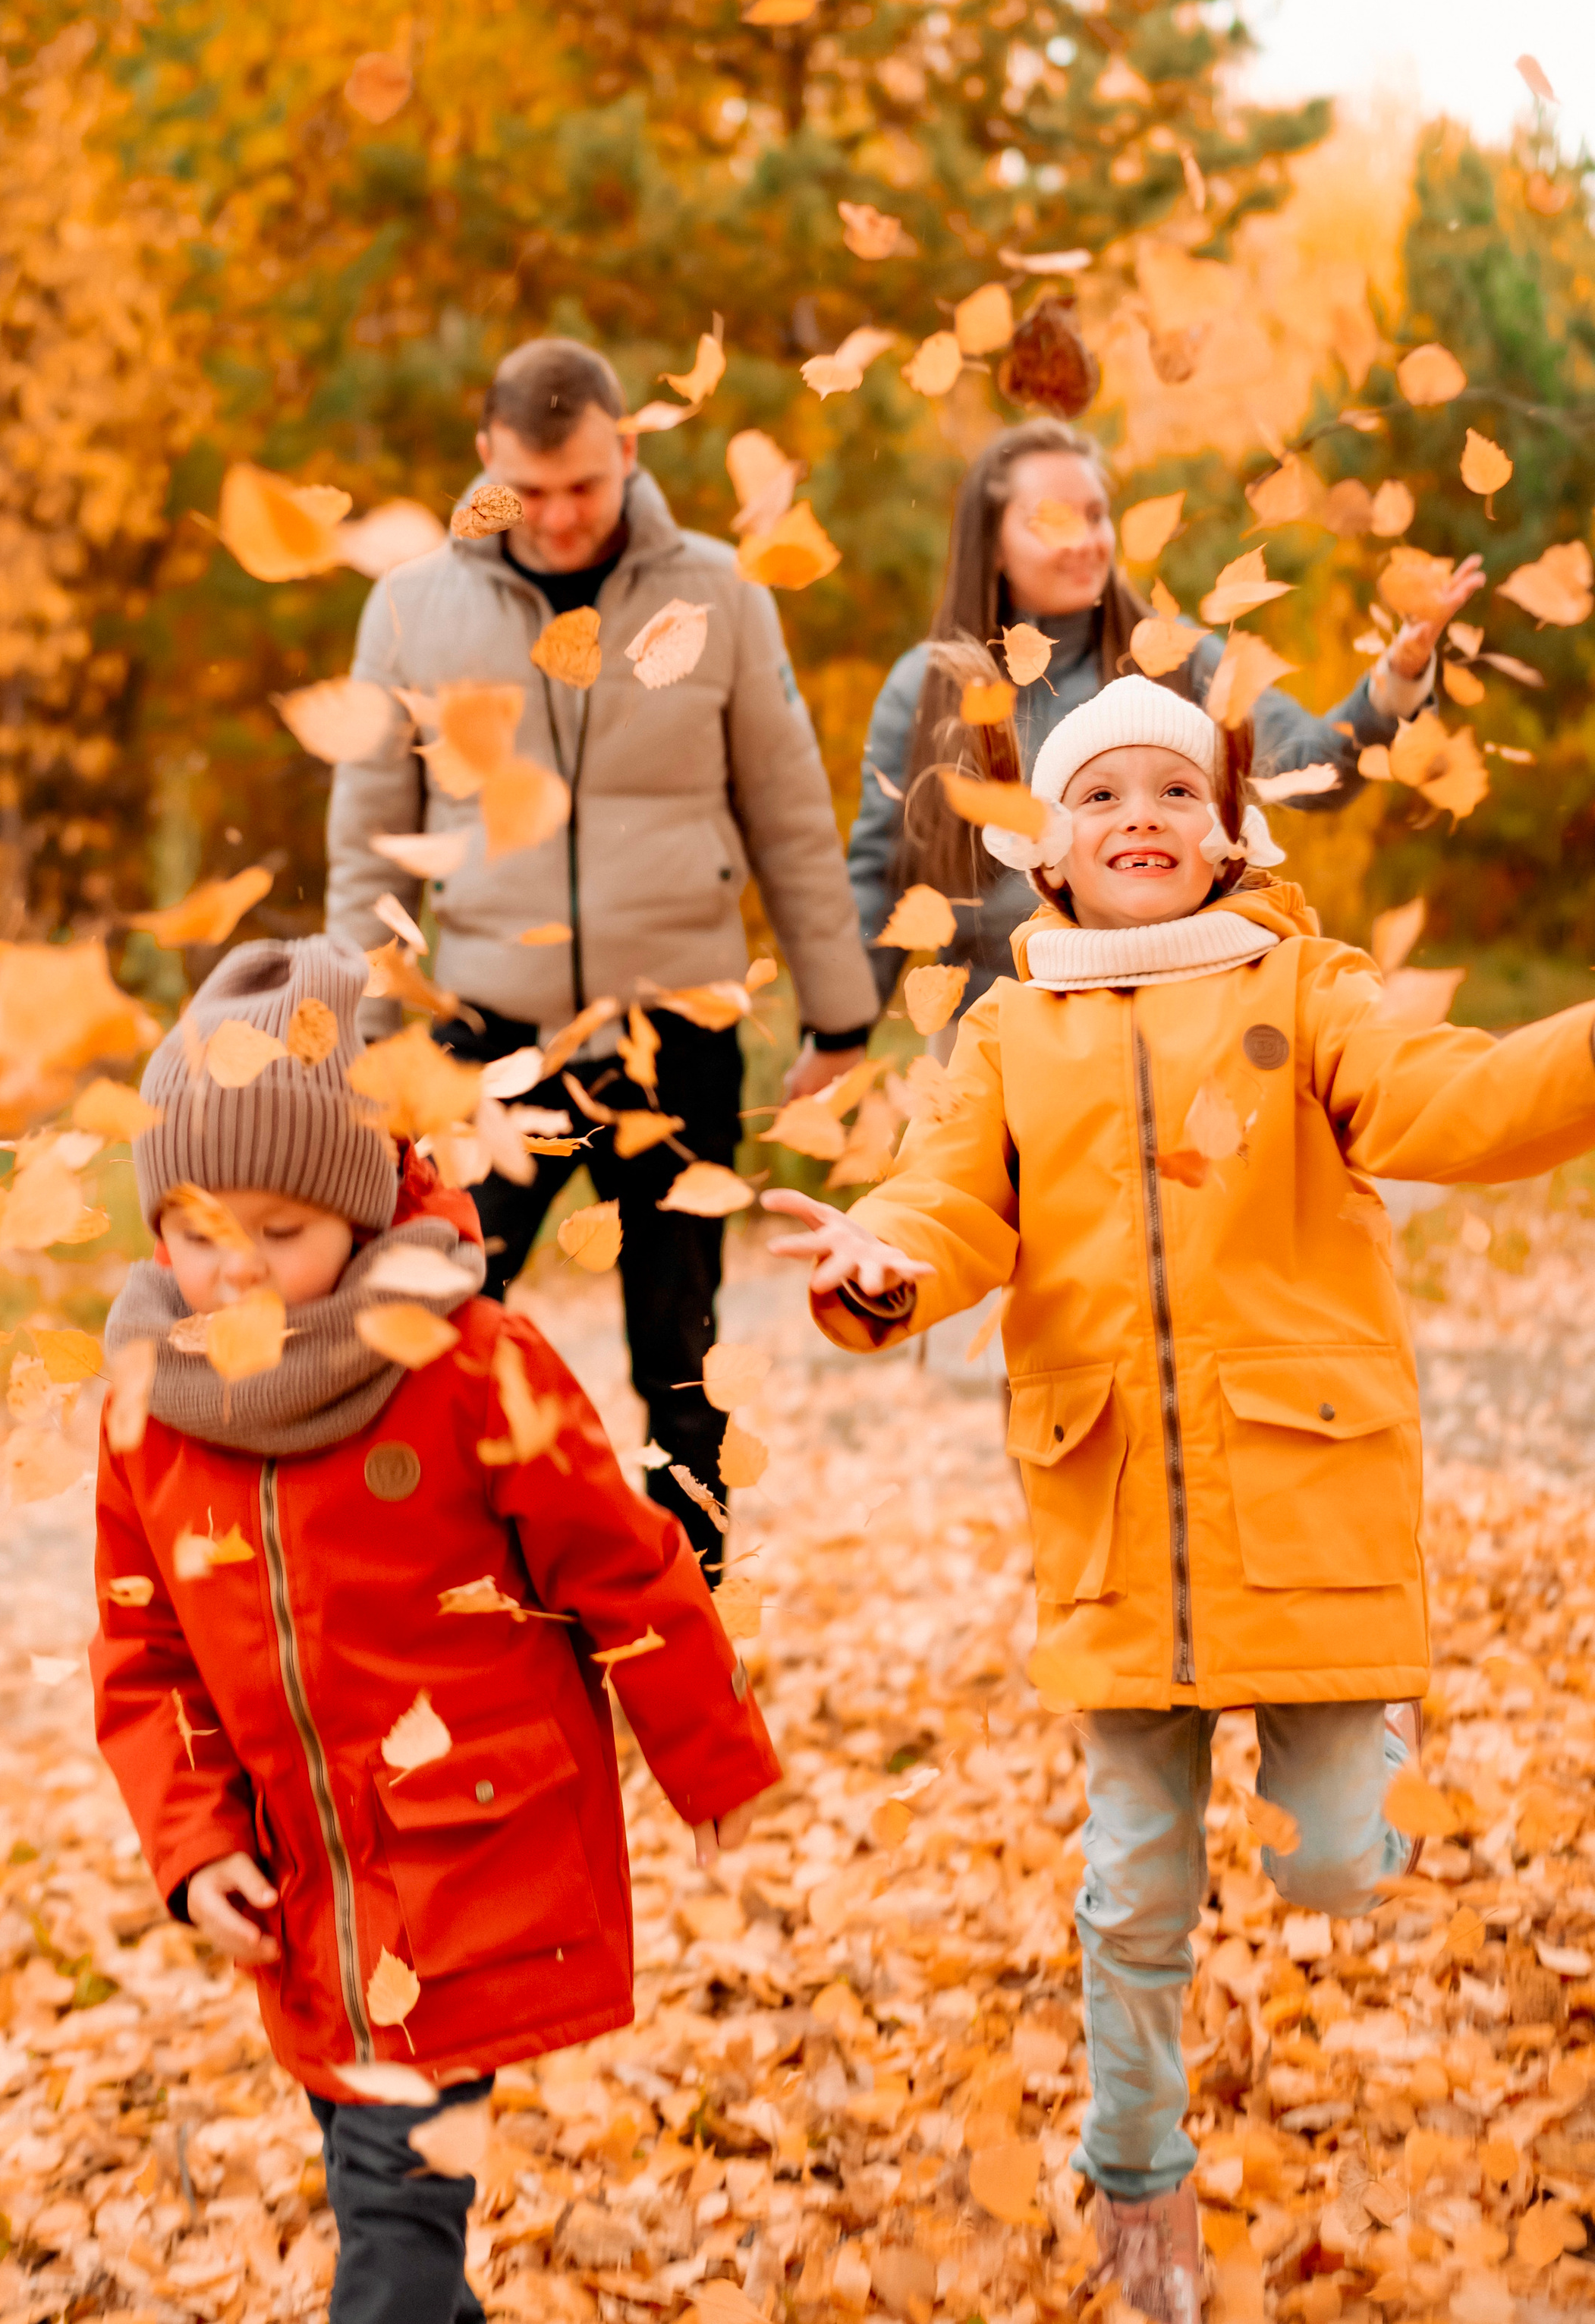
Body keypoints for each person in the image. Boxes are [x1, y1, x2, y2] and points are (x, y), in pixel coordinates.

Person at [764, 664, 1595, 2324]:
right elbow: (944, 1210)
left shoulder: (1305, 989)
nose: (1132, 815)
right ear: (1044, 855)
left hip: (1303, 1499)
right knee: (1132, 1884)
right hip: (1114, 1518)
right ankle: (1136, 2183)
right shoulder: (1006, 1031)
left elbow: (1451, 1100)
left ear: (1224, 837)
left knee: (1329, 1870)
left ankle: (1366, 1753)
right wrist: (875, 1269)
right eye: (1096, 795)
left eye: (1168, 794)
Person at [91, 937, 779, 2324]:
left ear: (356, 1206)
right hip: (299, 1883)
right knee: (376, 2197)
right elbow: (143, 1650)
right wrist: (194, 1838)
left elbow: (625, 1563)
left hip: (466, 1851)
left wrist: (710, 1754)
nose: (236, 1271)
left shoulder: (466, 1362)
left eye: (279, 1231)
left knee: (394, 2226)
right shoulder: (152, 1404)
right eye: (198, 1232)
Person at [325, 337, 879, 1570]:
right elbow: (366, 840)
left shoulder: (726, 595)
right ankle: (467, 1609)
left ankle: (683, 1622)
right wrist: (369, 1047)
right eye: (531, 488)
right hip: (480, 1038)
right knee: (440, 1334)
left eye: (584, 483)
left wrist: (840, 1023)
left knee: (679, 1359)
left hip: (675, 1029)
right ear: (488, 462)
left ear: (629, 450)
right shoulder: (411, 606)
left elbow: (788, 814)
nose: (562, 514)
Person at [848, 415, 1486, 1018]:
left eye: (1096, 516)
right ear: (991, 544)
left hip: (1178, 1024)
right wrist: (837, 1031)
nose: (1085, 540)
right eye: (1054, 520)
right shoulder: (929, 686)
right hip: (993, 1027)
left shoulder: (1170, 655)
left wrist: (1398, 678)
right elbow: (881, 878)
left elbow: (1309, 763)